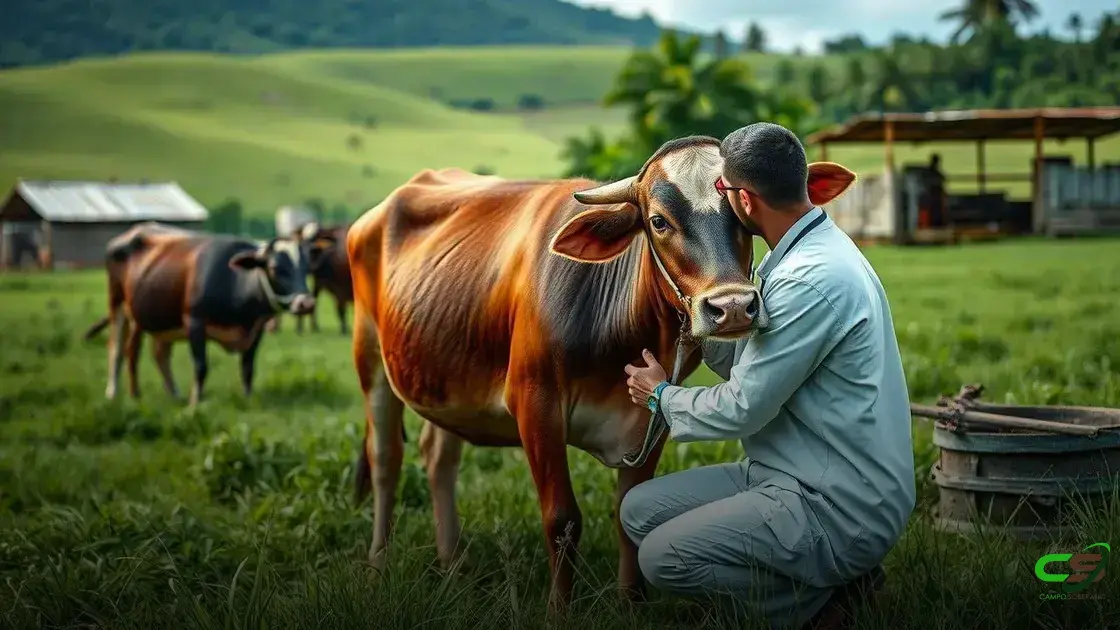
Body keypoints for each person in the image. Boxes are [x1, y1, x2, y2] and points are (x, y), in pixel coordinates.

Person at [620, 122, 916, 629]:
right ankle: (824, 579)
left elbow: (743, 406)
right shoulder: (806, 252)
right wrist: (694, 316)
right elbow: (757, 359)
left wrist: (660, 396)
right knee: (638, 510)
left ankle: (821, 608)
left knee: (662, 558)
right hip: (794, 469)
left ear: (744, 201)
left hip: (839, 504)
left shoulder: (809, 281)